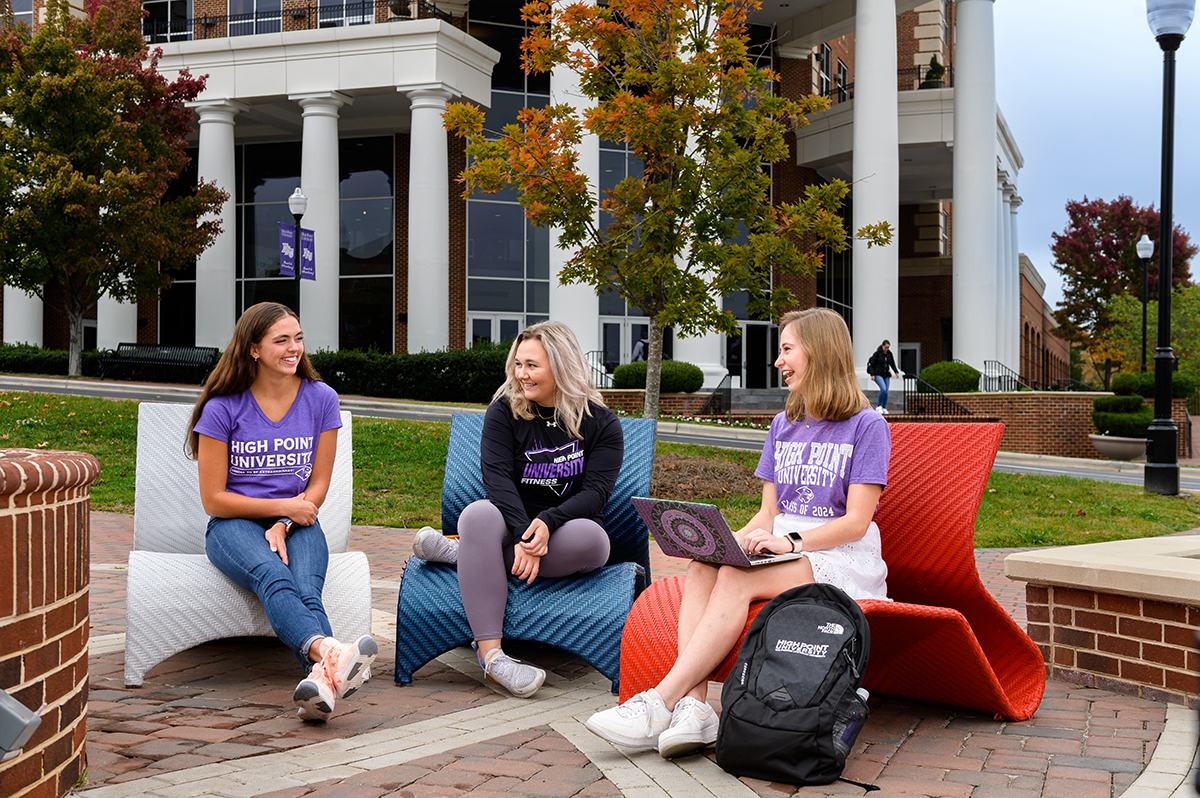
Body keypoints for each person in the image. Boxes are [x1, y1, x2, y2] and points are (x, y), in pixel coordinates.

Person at [585, 307, 890, 759]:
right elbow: (768, 512)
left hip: (839, 555)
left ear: (820, 352)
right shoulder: (783, 425)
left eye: (787, 350)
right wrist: (729, 540)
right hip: (786, 548)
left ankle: (660, 700)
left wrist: (789, 543)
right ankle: (695, 708)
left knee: (735, 577)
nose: (778, 361)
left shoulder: (867, 425)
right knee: (704, 565)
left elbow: (856, 522)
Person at [187, 302, 377, 723]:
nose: (294, 348)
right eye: (281, 340)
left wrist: (286, 521)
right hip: (232, 526)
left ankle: (321, 684)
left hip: (298, 520)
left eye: (298, 338)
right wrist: (280, 508)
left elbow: (319, 484)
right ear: (253, 349)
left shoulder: (320, 398)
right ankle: (331, 652)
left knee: (307, 590)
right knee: (273, 576)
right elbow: (214, 499)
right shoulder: (223, 408)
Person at [412, 321, 624, 698]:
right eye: (518, 364)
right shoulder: (504, 412)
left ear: (562, 366)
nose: (521, 374)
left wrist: (548, 522)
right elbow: (496, 480)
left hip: (568, 527)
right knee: (476, 515)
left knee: (596, 543)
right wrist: (526, 534)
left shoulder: (601, 423)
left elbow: (596, 492)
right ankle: (493, 657)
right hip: (511, 520)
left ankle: (468, 553)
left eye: (532, 365)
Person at [867, 339, 899, 414]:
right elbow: (872, 364)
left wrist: (896, 371)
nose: (886, 349)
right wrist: (872, 374)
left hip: (886, 374)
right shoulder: (877, 354)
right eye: (885, 347)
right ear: (882, 346)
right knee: (883, 389)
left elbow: (892, 363)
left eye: (888, 347)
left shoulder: (889, 354)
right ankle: (879, 406)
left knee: (886, 391)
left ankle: (884, 407)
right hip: (878, 374)